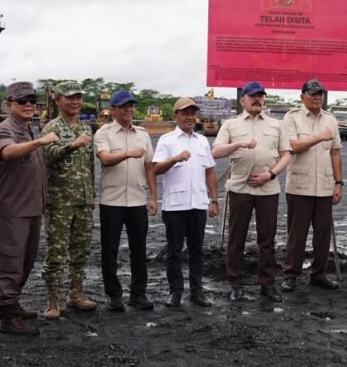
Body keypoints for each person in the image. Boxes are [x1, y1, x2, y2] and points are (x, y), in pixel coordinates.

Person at [212, 81, 292, 302]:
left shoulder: (277, 125)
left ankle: (268, 284)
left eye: (260, 96)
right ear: (242, 99)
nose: (257, 99)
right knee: (236, 239)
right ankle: (236, 284)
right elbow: (217, 152)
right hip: (239, 188)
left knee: (267, 240)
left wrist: (271, 174)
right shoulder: (230, 125)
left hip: (268, 189)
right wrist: (239, 144)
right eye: (252, 96)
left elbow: (286, 154)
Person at [0, 81, 58, 336]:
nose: (29, 104)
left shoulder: (30, 129)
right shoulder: (5, 128)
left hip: (33, 208)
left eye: (33, 100)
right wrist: (41, 141)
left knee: (27, 260)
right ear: (10, 104)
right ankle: (8, 317)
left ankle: (11, 304)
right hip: (14, 210)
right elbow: (8, 152)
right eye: (22, 101)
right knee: (12, 261)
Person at [152, 97, 218, 308]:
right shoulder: (167, 140)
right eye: (185, 113)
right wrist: (175, 159)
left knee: (197, 250)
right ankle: (175, 292)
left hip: (198, 204)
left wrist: (214, 200)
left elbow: (209, 171)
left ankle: (197, 291)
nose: (190, 117)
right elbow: (156, 169)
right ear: (176, 116)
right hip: (175, 206)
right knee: (174, 250)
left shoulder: (201, 141)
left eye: (192, 113)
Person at [95, 89, 157, 312]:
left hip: (138, 199)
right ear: (113, 110)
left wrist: (153, 196)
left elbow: (149, 166)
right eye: (123, 106)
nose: (129, 110)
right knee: (109, 249)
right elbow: (105, 158)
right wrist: (127, 154)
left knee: (139, 249)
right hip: (112, 201)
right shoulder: (104, 133)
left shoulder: (143, 134)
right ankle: (114, 295)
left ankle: (138, 294)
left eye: (131, 105)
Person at [278, 79, 342, 292]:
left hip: (324, 185)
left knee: (322, 233)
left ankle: (319, 274)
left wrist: (339, 183)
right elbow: (293, 146)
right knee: (297, 233)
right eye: (313, 93)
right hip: (299, 186)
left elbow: (335, 152)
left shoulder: (331, 120)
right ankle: (291, 274)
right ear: (302, 95)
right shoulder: (292, 118)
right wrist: (319, 137)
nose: (318, 97)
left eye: (320, 94)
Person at [41, 81, 98, 319]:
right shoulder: (51, 128)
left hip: (83, 200)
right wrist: (72, 145)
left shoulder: (86, 128)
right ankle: (52, 299)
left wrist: (92, 195)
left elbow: (89, 166)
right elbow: (49, 157)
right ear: (58, 100)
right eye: (69, 98)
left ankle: (76, 293)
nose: (74, 102)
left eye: (77, 97)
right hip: (60, 201)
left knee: (81, 250)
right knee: (56, 250)